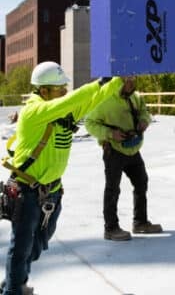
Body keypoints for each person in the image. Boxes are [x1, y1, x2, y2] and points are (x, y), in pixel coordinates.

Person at [1, 62, 126, 295]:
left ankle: (12, 282)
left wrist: (117, 80)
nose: (65, 92)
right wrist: (98, 82)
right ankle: (14, 289)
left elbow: (92, 100)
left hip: (52, 191)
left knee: (37, 245)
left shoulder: (61, 113)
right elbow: (73, 100)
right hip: (27, 190)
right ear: (44, 90)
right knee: (21, 246)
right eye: (60, 88)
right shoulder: (33, 111)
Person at [85, 77, 162, 241]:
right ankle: (111, 228)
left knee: (141, 182)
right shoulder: (104, 100)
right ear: (118, 81)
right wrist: (110, 134)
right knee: (113, 189)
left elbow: (144, 112)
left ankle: (140, 222)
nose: (131, 83)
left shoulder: (136, 97)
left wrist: (144, 121)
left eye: (133, 80)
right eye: (127, 80)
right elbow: (90, 123)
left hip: (133, 149)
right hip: (113, 151)